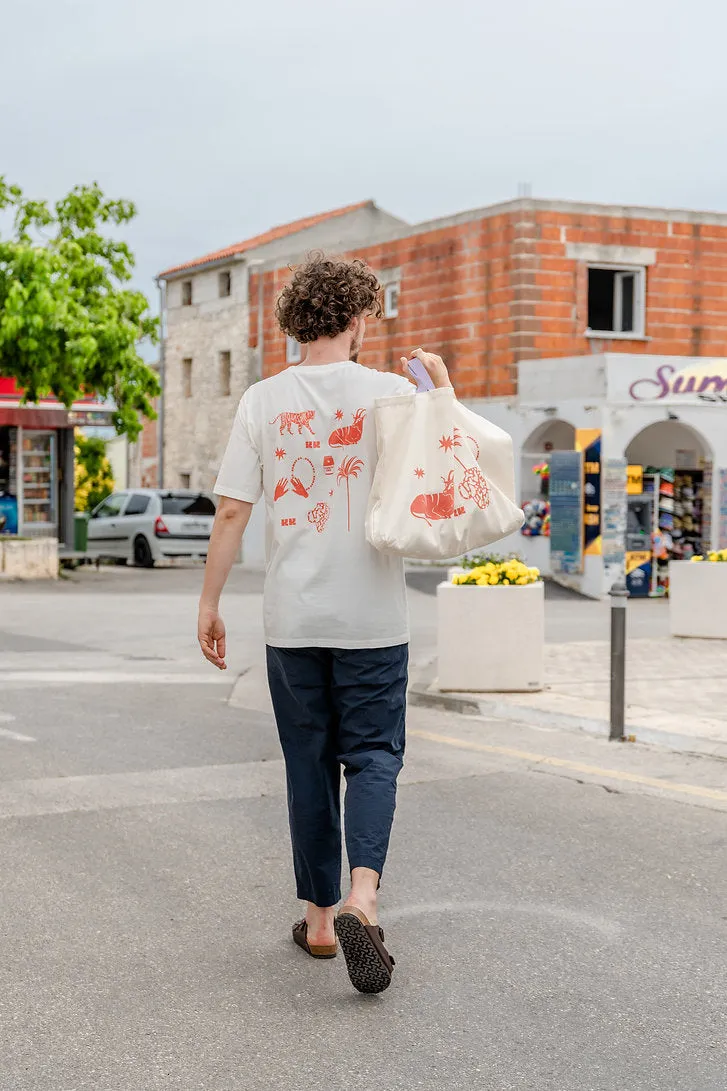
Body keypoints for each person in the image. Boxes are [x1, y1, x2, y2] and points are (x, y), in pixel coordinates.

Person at [198, 256, 451, 994]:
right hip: (373, 615)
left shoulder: (263, 400)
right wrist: (442, 387)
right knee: (373, 753)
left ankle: (316, 921)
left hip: (293, 618)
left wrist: (209, 602)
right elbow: (445, 459)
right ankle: (362, 897)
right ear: (359, 318)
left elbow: (233, 511)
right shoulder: (395, 392)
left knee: (308, 763)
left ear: (294, 322)